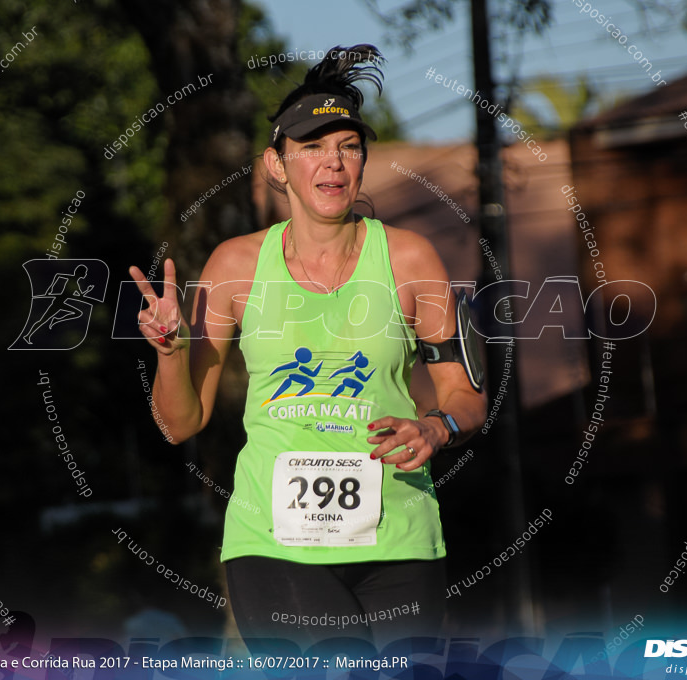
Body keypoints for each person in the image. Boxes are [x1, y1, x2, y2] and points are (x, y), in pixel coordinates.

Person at [128, 44, 486, 646]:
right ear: (276, 165)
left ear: (363, 162)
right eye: (313, 148)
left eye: (348, 147)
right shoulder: (235, 265)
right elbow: (180, 423)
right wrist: (168, 353)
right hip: (275, 542)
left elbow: (466, 397)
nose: (334, 164)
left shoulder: (411, 259)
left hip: (400, 534)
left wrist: (436, 428)